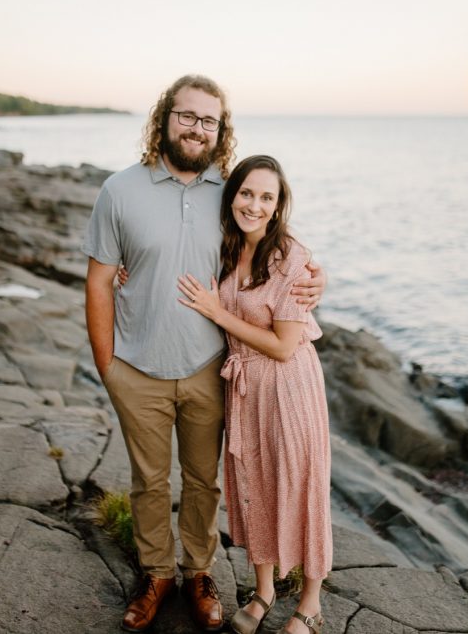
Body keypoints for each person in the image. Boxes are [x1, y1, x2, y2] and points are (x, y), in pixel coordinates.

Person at [83, 75, 326, 632]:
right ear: (164, 119)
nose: (196, 128)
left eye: (208, 120)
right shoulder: (120, 191)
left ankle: (198, 572)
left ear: (221, 130)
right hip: (136, 367)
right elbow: (98, 282)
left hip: (211, 370)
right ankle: (155, 574)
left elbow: (277, 243)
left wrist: (318, 278)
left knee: (203, 481)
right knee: (148, 482)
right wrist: (107, 366)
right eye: (186, 116)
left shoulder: (230, 190)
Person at [176, 154, 331, 634]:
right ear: (232, 194)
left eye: (267, 197)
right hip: (245, 390)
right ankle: (263, 590)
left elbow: (286, 347)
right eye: (247, 193)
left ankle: (310, 602)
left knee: (300, 486)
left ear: (280, 204)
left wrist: (219, 314)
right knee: (253, 487)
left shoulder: (290, 259)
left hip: (289, 387)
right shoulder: (225, 246)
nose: (255, 205)